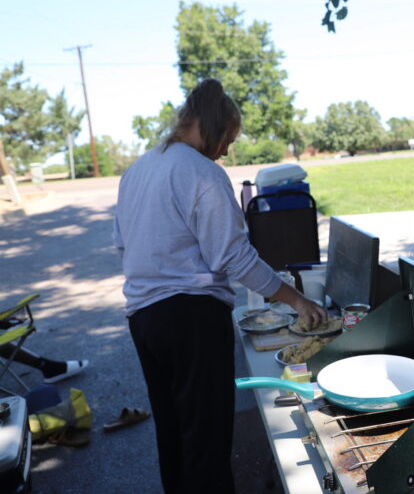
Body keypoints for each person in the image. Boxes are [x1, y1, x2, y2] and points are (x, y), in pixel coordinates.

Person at [113, 78, 327, 493]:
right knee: (206, 441)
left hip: (143, 319)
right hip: (190, 319)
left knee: (174, 433)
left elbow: (123, 244)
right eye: (228, 139)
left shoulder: (137, 171)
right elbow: (233, 257)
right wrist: (296, 300)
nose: (227, 150)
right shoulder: (202, 174)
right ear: (212, 128)